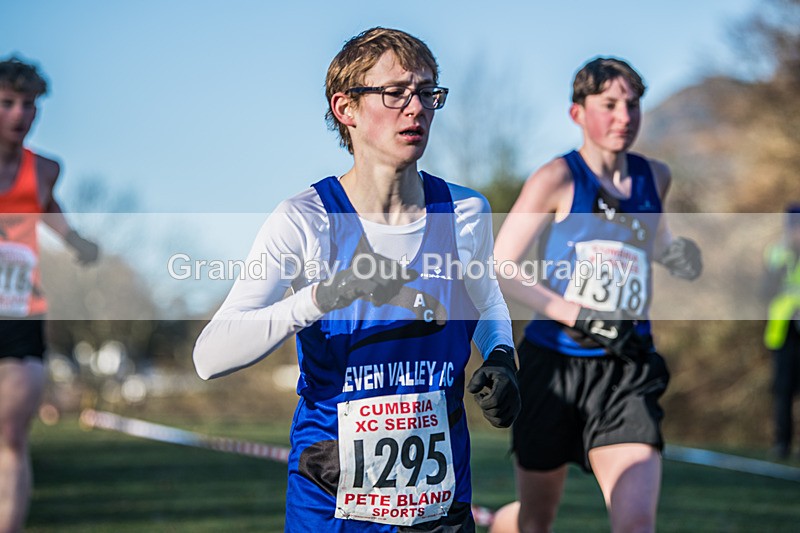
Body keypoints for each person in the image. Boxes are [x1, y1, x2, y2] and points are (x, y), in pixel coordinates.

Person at [193, 27, 520, 532]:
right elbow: (210, 356)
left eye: (427, 92)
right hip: (332, 499)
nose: (416, 108)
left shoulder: (464, 211)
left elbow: (487, 302)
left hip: (440, 501)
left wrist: (501, 356)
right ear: (345, 108)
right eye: (394, 93)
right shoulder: (305, 219)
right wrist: (325, 295)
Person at [489, 57, 702, 533]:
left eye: (632, 104)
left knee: (634, 525)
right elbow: (501, 266)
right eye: (609, 104)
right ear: (577, 113)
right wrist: (576, 313)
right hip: (554, 367)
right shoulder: (557, 178)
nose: (624, 117)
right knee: (534, 522)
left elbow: (655, 241)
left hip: (627, 369)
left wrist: (676, 255)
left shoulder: (655, 177)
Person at [0, 56, 99, 532]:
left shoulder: (44, 170)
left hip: (18, 314)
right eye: (7, 103)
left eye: (29, 105)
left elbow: (47, 207)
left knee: (11, 436)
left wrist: (75, 241)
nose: (20, 114)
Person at [762, 205, 800, 460]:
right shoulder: (777, 253)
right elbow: (765, 291)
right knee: (782, 390)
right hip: (783, 331)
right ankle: (782, 444)